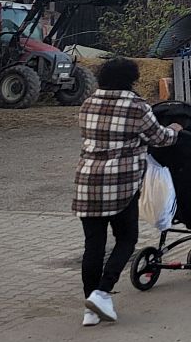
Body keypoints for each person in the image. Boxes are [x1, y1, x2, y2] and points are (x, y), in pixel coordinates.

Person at [72, 56, 181, 327]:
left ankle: (91, 309)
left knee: (93, 246)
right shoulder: (136, 106)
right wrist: (176, 130)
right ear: (131, 79)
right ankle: (102, 291)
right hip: (121, 185)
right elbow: (160, 138)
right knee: (126, 238)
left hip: (87, 182)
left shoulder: (88, 103)